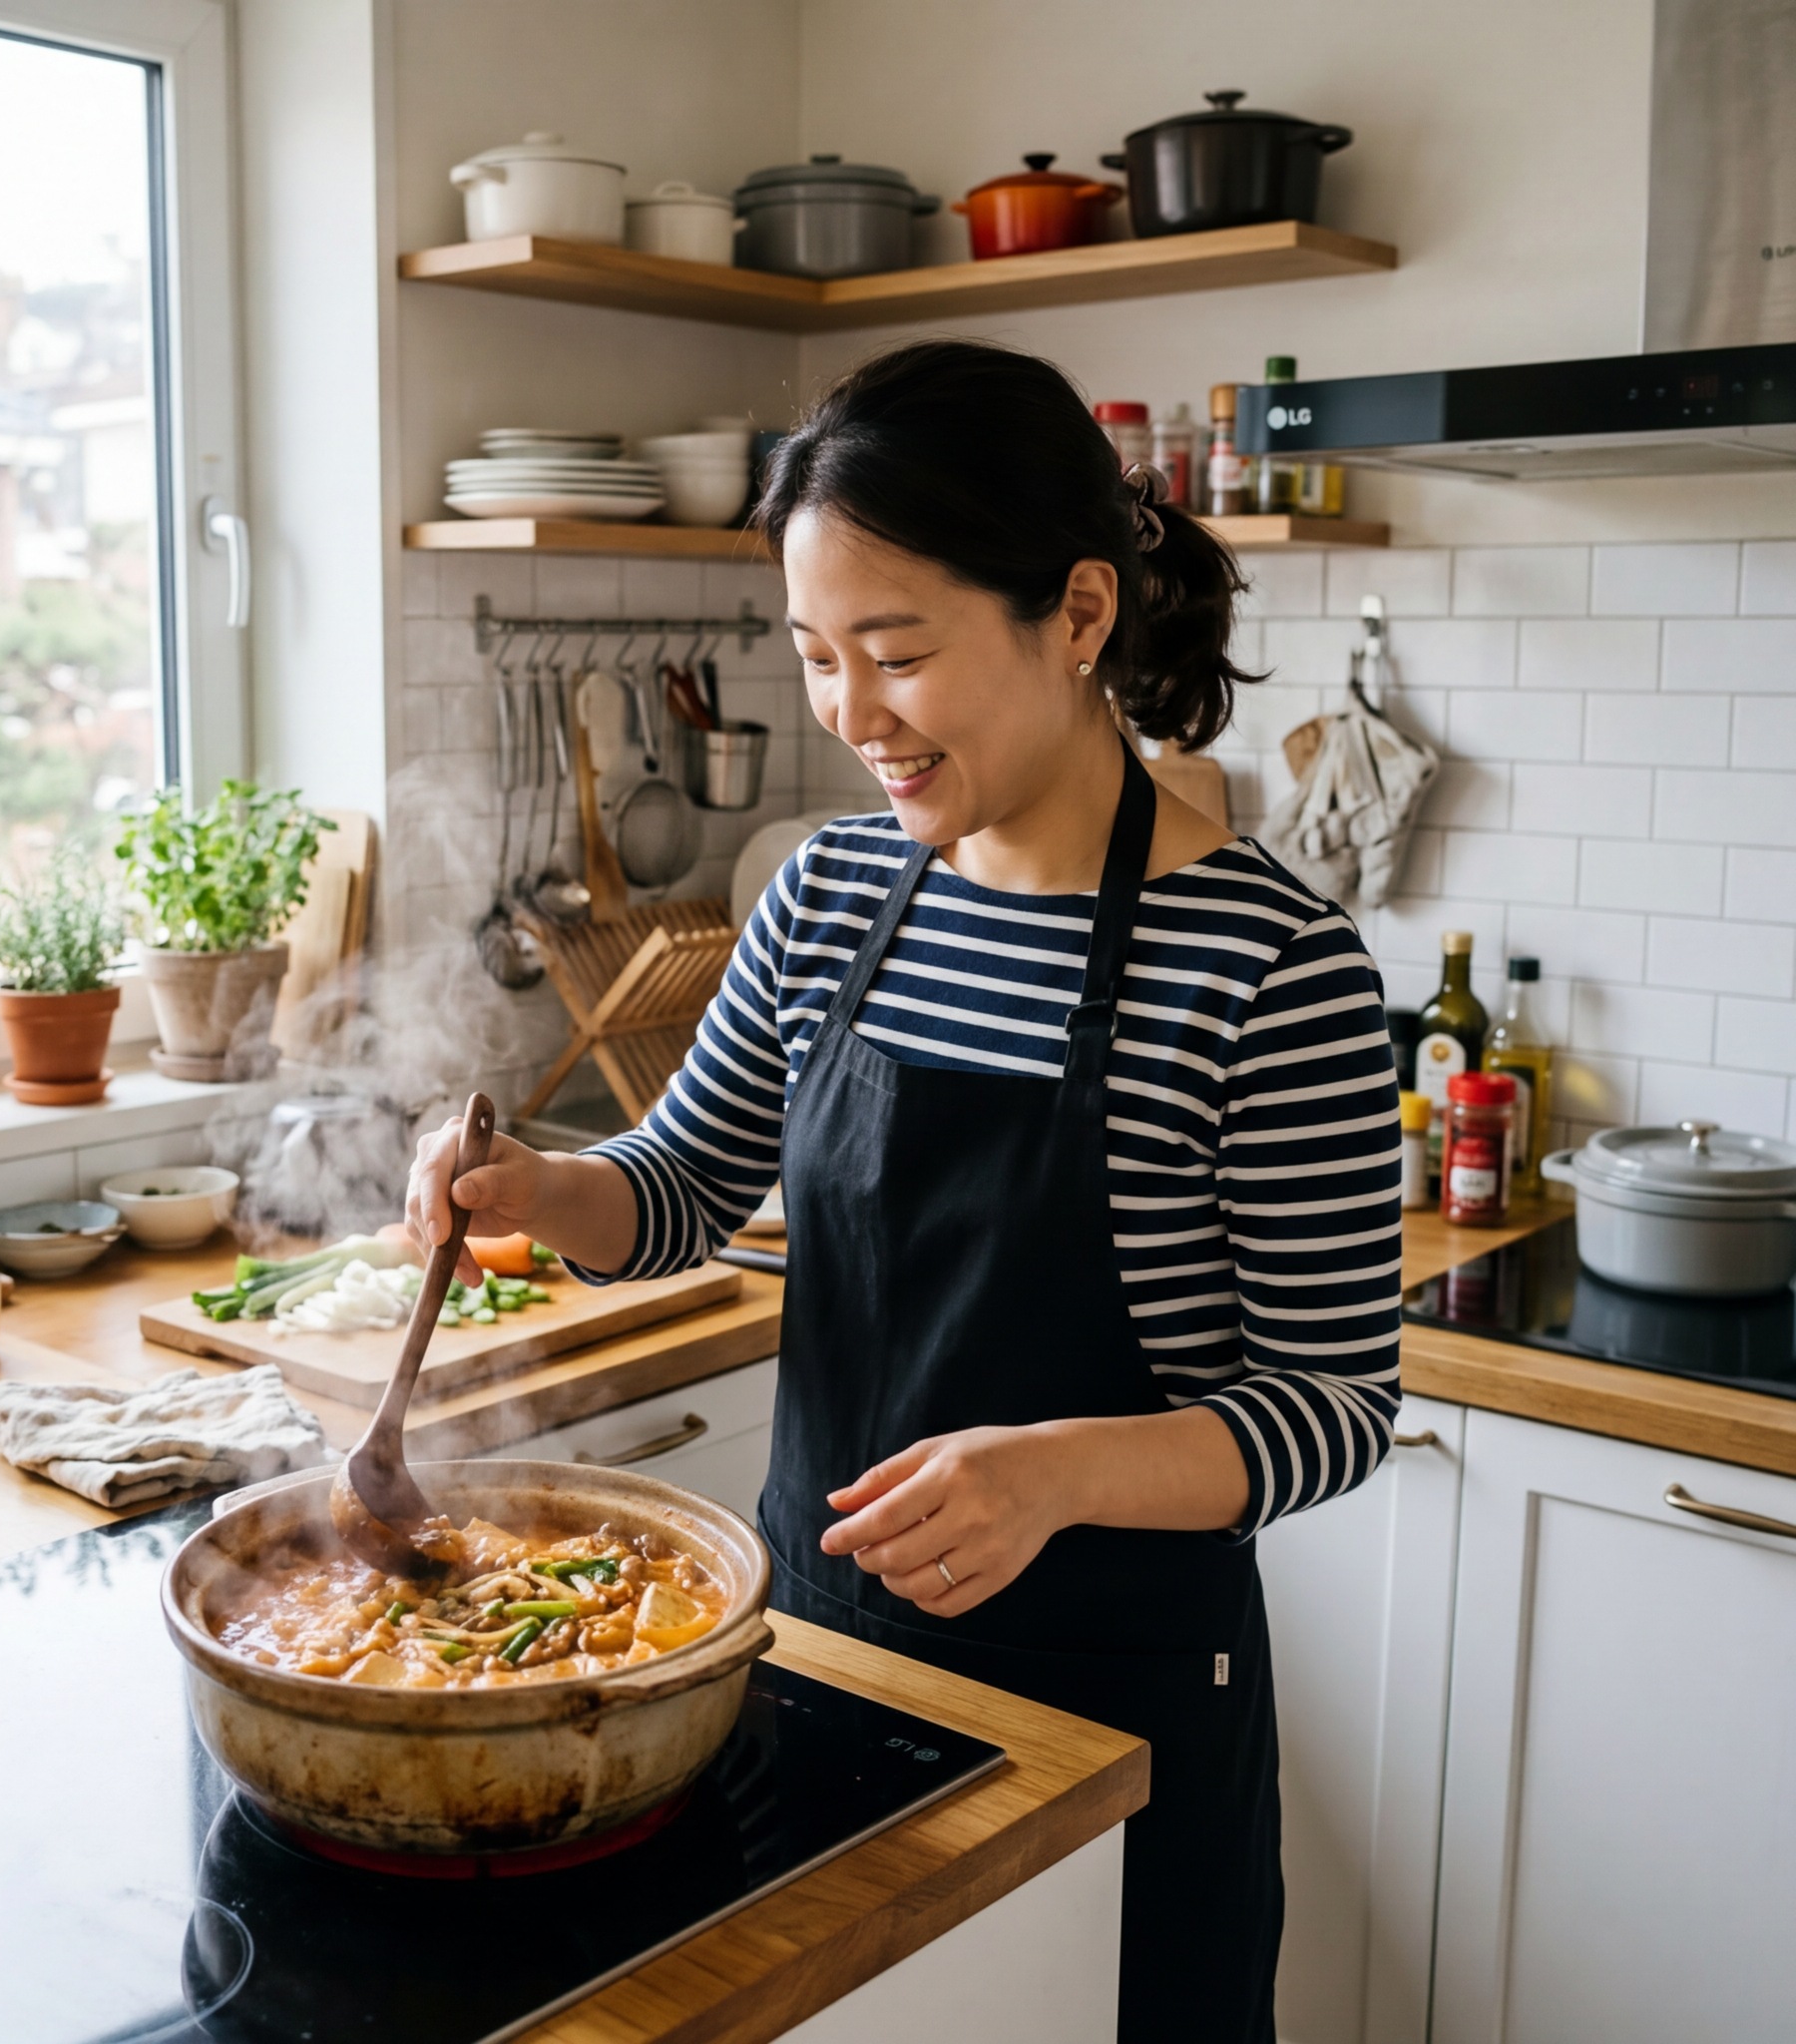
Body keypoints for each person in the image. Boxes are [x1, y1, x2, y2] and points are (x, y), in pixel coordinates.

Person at [407, 337, 1402, 2043]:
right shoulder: (825, 893)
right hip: (817, 1664)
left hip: (1114, 1715)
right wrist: (525, 1187)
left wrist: (1054, 1475)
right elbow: (678, 1189)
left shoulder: (1270, 963)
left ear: (1080, 616)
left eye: (899, 653)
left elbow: (1337, 1407)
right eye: (812, 656)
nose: (850, 716)